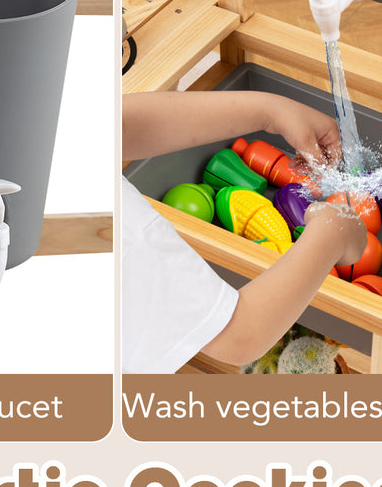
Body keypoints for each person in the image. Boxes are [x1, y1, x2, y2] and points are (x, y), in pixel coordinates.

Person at [121, 91, 367, 373]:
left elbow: (113, 127)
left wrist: (271, 111)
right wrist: (331, 233)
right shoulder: (118, 228)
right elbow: (239, 336)